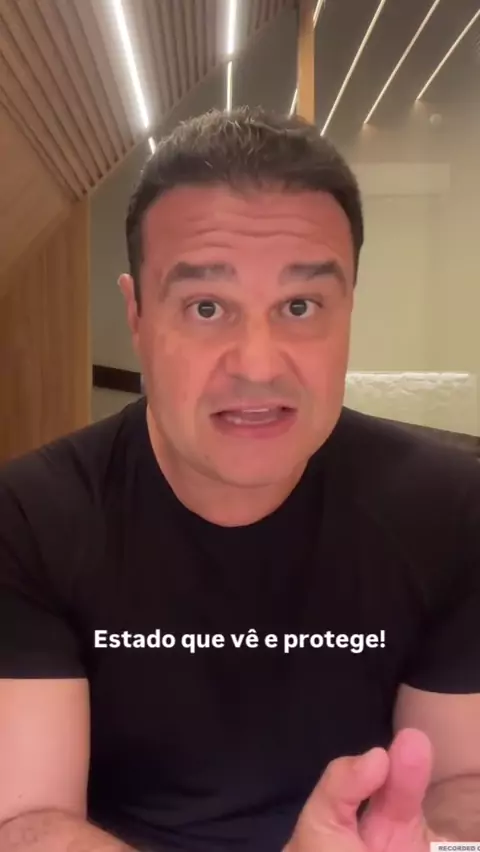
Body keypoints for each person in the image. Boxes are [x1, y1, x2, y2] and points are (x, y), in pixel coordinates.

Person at [0, 106, 479, 852]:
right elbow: (27, 821)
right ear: (136, 315)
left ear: (349, 310)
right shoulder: (31, 515)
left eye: (300, 306)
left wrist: (428, 839)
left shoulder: (451, 509)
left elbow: (458, 785)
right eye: (206, 307)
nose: (257, 364)